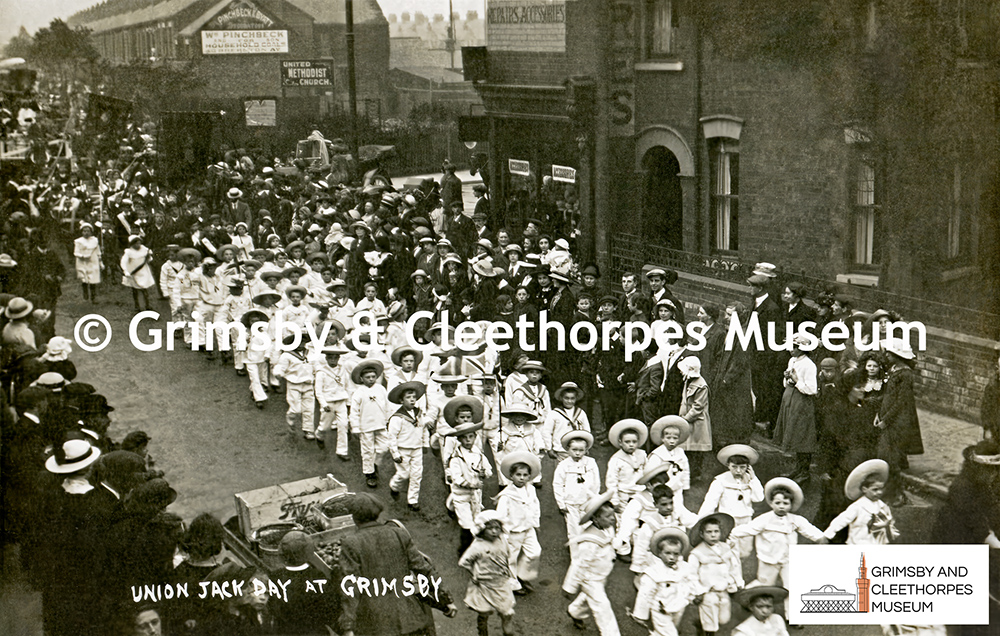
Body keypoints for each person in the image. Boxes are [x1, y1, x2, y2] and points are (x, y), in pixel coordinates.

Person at [337, 493, 458, 636]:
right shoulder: (399, 534)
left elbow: (351, 586)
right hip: (410, 617)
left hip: (378, 624)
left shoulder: (351, 543)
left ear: (354, 517)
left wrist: (348, 626)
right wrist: (446, 600)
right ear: (377, 513)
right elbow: (424, 569)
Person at [729, 477, 828, 613]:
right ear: (771, 503)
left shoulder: (795, 520)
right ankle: (746, 596)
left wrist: (821, 538)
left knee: (792, 586)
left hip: (787, 560)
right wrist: (731, 534)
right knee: (764, 584)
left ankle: (791, 616)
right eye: (777, 503)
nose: (781, 506)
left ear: (791, 504)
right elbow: (748, 528)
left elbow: (808, 529)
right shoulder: (765, 519)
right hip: (768, 560)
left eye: (785, 503)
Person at [562, 492, 620, 635]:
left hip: (601, 574)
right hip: (590, 578)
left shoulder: (607, 528)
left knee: (590, 598)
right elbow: (579, 564)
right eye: (608, 516)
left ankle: (575, 611)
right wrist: (569, 587)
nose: (612, 518)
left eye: (612, 515)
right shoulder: (589, 541)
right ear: (595, 518)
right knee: (603, 607)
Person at [877, 337, 924, 507]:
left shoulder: (905, 375)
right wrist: (879, 414)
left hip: (897, 422)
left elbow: (901, 402)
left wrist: (886, 420)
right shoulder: (894, 370)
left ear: (897, 355)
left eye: (889, 353)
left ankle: (896, 494)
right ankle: (889, 491)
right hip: (888, 418)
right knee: (885, 456)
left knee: (890, 459)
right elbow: (887, 396)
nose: (886, 356)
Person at [629, 527, 701, 636]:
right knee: (670, 634)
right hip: (660, 608)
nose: (672, 557)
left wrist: (695, 594)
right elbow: (645, 594)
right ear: (660, 553)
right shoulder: (654, 572)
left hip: (678, 605)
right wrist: (641, 614)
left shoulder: (684, 567)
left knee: (665, 631)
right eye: (667, 553)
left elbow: (690, 581)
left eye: (676, 554)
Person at [697, 444, 764, 557]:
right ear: (728, 465)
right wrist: (702, 521)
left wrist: (753, 478)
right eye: (734, 467)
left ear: (748, 467)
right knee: (729, 549)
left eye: (742, 467)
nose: (738, 471)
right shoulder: (720, 481)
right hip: (728, 519)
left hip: (745, 519)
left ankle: (740, 566)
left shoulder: (750, 480)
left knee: (745, 550)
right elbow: (710, 502)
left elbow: (758, 498)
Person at [458, 510, 516, 636]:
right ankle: (483, 632)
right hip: (484, 584)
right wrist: (474, 573)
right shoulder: (477, 546)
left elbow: (507, 556)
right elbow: (464, 562)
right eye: (490, 528)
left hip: (501, 583)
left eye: (497, 528)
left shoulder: (502, 540)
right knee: (484, 611)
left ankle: (508, 632)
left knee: (507, 612)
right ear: (482, 529)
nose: (494, 532)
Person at [495, 452, 543, 595]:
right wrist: (503, 534)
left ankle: (523, 575)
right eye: (518, 475)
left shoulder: (531, 490)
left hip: (528, 529)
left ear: (529, 476)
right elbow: (501, 516)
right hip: (513, 532)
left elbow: (536, 506)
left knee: (535, 552)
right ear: (511, 476)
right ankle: (513, 583)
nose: (521, 478)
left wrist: (536, 523)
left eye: (525, 475)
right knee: (511, 558)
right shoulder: (506, 495)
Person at [772, 334, 818, 483]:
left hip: (801, 401)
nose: (790, 349)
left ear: (802, 349)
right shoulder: (792, 360)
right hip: (790, 398)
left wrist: (797, 381)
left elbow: (811, 389)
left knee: (802, 434)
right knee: (793, 433)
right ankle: (798, 468)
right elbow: (788, 382)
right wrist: (787, 378)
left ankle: (804, 471)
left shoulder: (809, 365)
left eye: (794, 347)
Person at [687, 514, 743, 636]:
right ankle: (708, 632)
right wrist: (698, 591)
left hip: (723, 589)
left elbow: (733, 567)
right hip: (707, 591)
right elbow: (691, 574)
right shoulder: (697, 553)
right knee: (710, 614)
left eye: (716, 531)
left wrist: (737, 582)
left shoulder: (725, 548)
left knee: (723, 619)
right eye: (709, 532)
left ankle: (701, 624)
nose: (713, 535)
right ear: (702, 534)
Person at [823, 459, 899, 544]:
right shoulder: (858, 506)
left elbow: (888, 523)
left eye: (881, 489)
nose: (879, 492)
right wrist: (827, 534)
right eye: (875, 490)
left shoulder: (882, 506)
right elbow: (842, 520)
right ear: (864, 489)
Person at [447, 415, 492, 558]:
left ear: (475, 437)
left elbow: (489, 470)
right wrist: (471, 484)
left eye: (471, 437)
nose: (468, 441)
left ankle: (476, 549)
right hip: (461, 496)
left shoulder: (478, 454)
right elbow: (457, 478)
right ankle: (464, 551)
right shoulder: (456, 458)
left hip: (476, 496)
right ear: (459, 439)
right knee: (467, 524)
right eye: (464, 438)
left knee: (477, 521)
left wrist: (485, 473)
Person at [553, 431, 600, 548]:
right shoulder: (563, 465)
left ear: (586, 450)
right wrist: (561, 503)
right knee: (573, 529)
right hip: (571, 502)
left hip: (587, 501)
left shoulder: (591, 462)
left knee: (588, 526)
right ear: (568, 450)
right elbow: (557, 484)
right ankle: (575, 552)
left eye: (581, 450)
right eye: (574, 450)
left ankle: (588, 550)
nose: (578, 453)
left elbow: (596, 481)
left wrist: (594, 498)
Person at [387, 381, 429, 511]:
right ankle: (394, 486)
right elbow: (392, 436)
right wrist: (395, 453)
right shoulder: (397, 418)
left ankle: (412, 500)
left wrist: (425, 443)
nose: (412, 400)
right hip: (403, 449)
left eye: (414, 397)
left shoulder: (419, 413)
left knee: (417, 474)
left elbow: (423, 428)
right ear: (401, 400)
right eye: (408, 397)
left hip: (417, 448)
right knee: (404, 474)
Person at [349, 360, 389, 488]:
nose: (371, 379)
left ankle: (375, 464)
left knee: (384, 447)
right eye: (367, 377)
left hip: (380, 424)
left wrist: (389, 419)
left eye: (373, 377)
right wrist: (355, 427)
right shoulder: (358, 392)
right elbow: (354, 411)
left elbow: (387, 405)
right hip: (365, 426)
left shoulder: (381, 389)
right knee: (367, 450)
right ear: (361, 378)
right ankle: (369, 474)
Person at [272, 334, 316, 440]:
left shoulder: (310, 353)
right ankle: (290, 420)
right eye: (298, 342)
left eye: (303, 342)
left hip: (308, 384)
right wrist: (279, 373)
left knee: (309, 408)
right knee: (296, 409)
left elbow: (315, 366)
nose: (301, 344)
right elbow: (280, 366)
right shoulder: (287, 355)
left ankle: (308, 430)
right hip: (294, 384)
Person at [605, 419, 649, 517]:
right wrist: (615, 500)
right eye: (627, 442)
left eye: (634, 442)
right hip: (624, 495)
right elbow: (612, 481)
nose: (631, 444)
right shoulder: (616, 459)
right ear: (620, 442)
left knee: (642, 516)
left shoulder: (642, 454)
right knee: (624, 518)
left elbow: (647, 472)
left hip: (640, 492)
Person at [121, 235, 155, 312]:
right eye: (136, 243)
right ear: (132, 244)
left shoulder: (144, 249)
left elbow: (149, 260)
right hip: (134, 273)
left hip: (143, 272)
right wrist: (125, 271)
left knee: (144, 288)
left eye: (139, 243)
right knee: (135, 289)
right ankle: (137, 305)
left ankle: (147, 304)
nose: (138, 245)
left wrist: (149, 257)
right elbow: (123, 262)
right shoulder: (128, 252)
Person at [73, 222, 102, 303]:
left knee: (93, 280)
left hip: (93, 261)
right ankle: (85, 293)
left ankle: (93, 297)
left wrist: (100, 262)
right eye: (84, 231)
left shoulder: (94, 240)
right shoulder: (78, 241)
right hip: (83, 262)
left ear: (91, 232)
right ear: (82, 232)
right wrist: (83, 256)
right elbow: (76, 252)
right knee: (84, 278)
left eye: (88, 231)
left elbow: (98, 251)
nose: (86, 233)